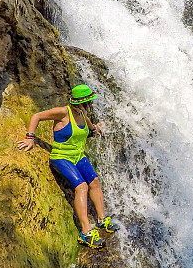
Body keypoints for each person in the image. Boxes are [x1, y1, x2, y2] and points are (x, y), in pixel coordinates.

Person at [16, 84, 117, 249]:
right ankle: (85, 233)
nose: (90, 105)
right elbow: (36, 116)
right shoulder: (63, 112)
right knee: (82, 187)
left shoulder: (83, 114)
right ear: (80, 103)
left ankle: (101, 220)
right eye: (88, 102)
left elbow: (91, 129)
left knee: (95, 182)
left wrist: (96, 129)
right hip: (61, 157)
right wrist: (30, 138)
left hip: (78, 156)